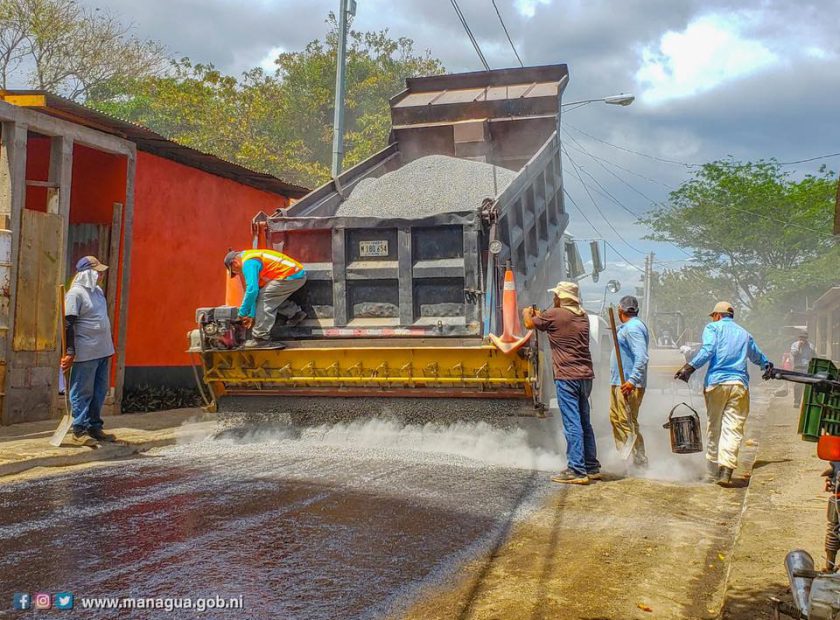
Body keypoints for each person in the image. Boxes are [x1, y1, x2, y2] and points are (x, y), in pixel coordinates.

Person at [674, 301, 773, 487]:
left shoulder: (713, 328)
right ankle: (726, 471)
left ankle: (712, 470)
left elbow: (708, 350)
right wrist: (766, 365)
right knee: (733, 428)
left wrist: (689, 367)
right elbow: (757, 356)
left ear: (717, 315)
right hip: (739, 385)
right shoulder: (744, 334)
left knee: (714, 425)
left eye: (713, 316)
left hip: (716, 383)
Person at [523, 281, 599, 485]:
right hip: (585, 375)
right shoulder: (581, 315)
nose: (554, 298)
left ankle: (576, 469)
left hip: (567, 376)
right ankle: (591, 466)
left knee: (572, 423)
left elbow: (530, 324)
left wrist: (527, 312)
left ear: (561, 297)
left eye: (556, 295)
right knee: (584, 421)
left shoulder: (556, 314)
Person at [61, 256, 116, 444]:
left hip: (103, 350)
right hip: (86, 351)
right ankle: (79, 429)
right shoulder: (75, 294)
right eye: (98, 272)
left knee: (99, 391)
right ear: (87, 273)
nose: (101, 275)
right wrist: (69, 351)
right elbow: (68, 324)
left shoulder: (98, 292)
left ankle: (95, 426)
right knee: (82, 391)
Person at [225, 249, 308, 348]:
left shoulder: (248, 263)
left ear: (235, 262)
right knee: (268, 295)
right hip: (294, 274)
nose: (238, 273)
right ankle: (295, 313)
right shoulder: (250, 257)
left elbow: (252, 290)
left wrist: (242, 313)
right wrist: (251, 315)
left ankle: (261, 338)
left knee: (265, 297)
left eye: (235, 270)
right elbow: (256, 291)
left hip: (292, 277)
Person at [609, 295, 650, 468]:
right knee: (617, 419)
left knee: (627, 422)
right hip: (620, 382)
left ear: (620, 311)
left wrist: (632, 381)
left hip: (627, 384)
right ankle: (626, 458)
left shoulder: (633, 329)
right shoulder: (629, 327)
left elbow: (641, 357)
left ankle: (638, 461)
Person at [791, 331, 815, 407]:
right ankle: (797, 402)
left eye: (804, 338)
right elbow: (794, 354)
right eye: (801, 337)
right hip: (798, 367)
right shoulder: (794, 345)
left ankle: (807, 403)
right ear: (799, 338)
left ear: (806, 338)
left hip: (808, 368)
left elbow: (814, 356)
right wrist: (799, 347)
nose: (803, 339)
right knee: (798, 385)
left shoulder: (811, 346)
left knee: (808, 386)